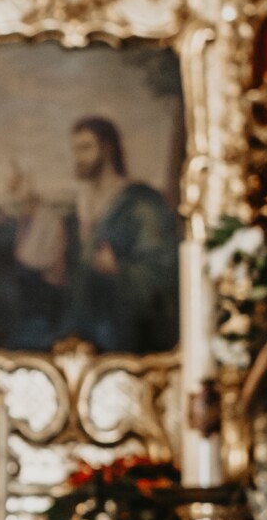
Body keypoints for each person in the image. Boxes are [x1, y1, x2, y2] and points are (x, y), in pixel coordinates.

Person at [60, 115, 179, 352]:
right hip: (82, 335)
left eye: (86, 148)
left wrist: (119, 269)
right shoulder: (78, 207)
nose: (79, 157)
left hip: (128, 337)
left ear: (106, 149)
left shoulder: (141, 203)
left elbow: (162, 272)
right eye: (76, 149)